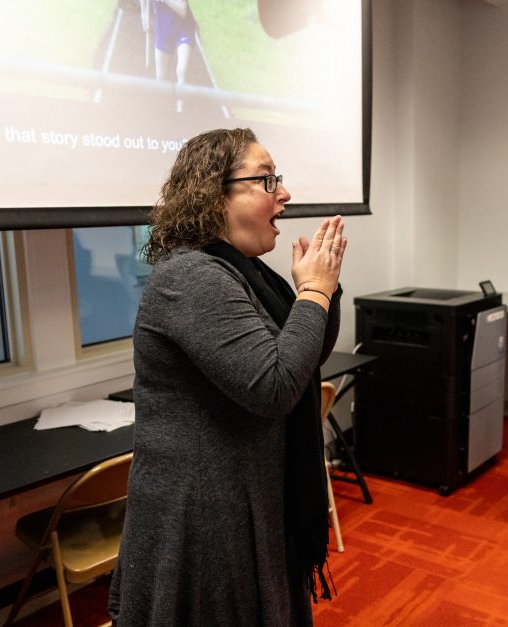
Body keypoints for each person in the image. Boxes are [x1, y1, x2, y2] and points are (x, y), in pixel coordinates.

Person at [108, 128, 347, 626]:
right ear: (215, 194)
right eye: (267, 180)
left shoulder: (247, 273)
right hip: (206, 515)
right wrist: (314, 293)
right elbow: (275, 387)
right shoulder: (191, 277)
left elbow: (303, 359)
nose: (284, 193)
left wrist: (323, 290)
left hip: (248, 494)